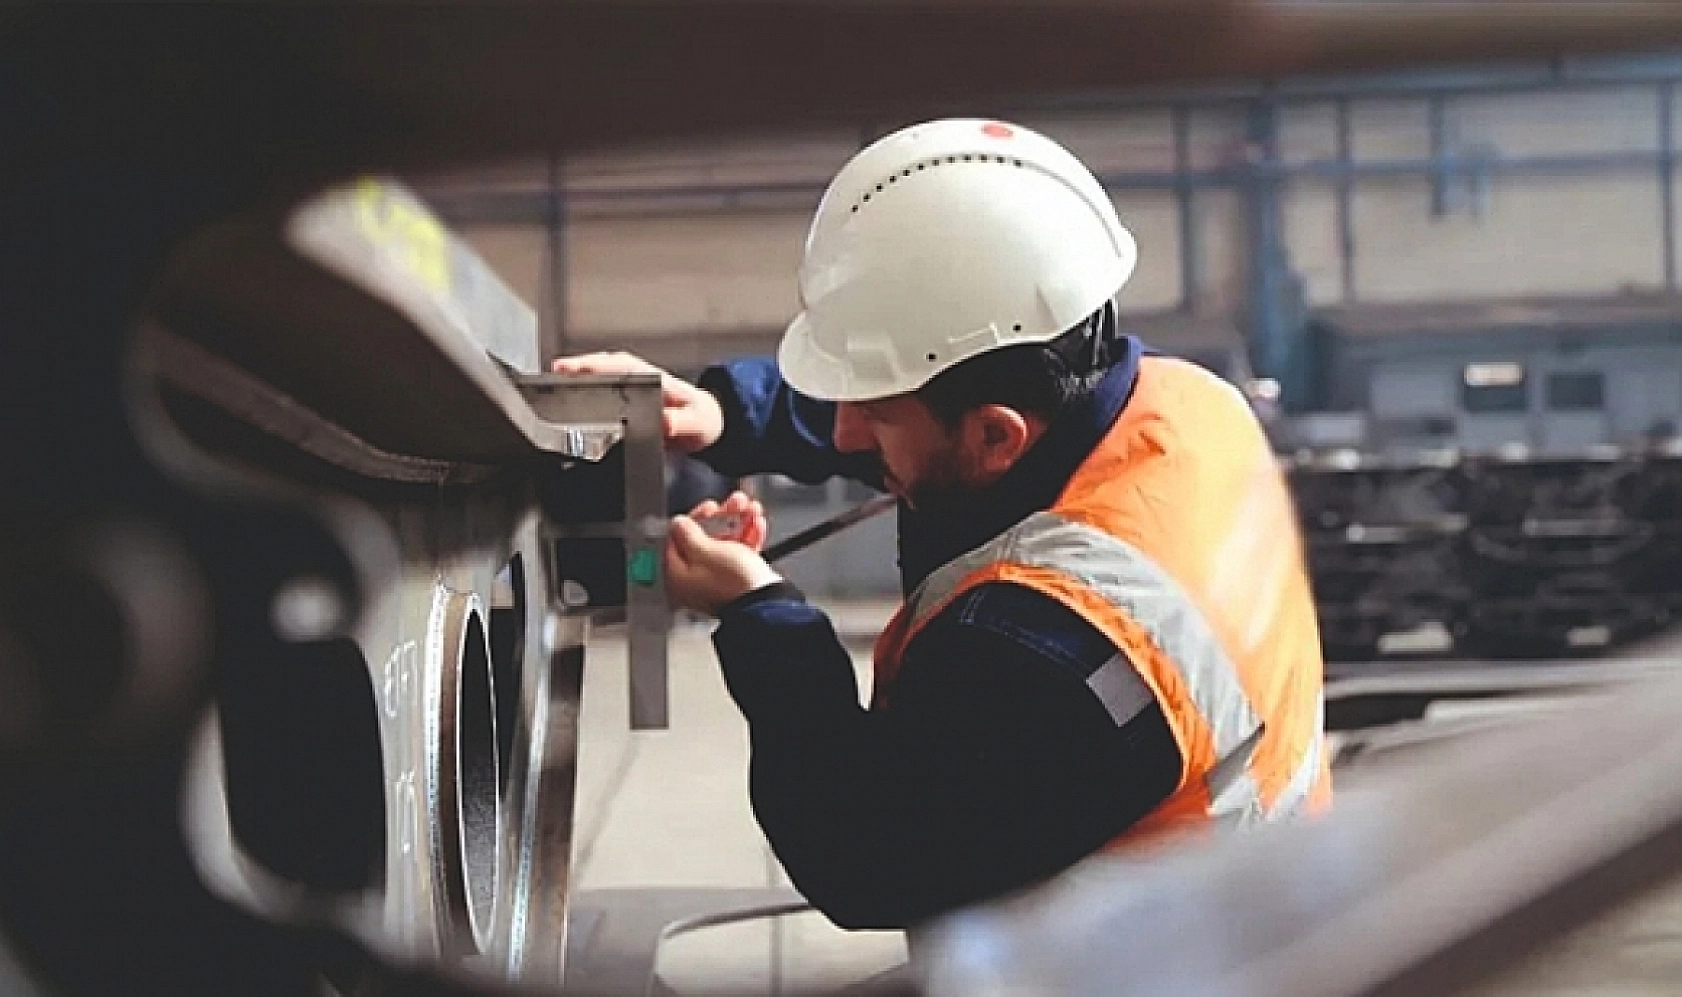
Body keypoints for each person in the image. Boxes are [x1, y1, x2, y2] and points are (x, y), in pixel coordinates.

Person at [554, 118, 1330, 931]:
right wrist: (728, 415)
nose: (845, 433)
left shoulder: (1055, 652)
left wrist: (764, 617)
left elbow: (865, 859)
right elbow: (934, 427)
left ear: (997, 435)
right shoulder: (1184, 403)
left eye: (874, 413)